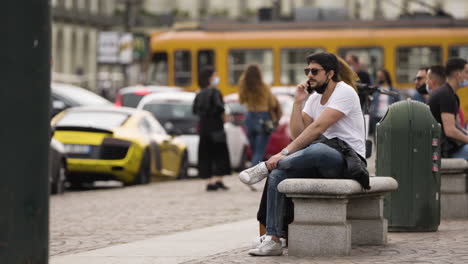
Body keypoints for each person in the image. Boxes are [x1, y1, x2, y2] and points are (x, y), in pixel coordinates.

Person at [240, 52, 369, 256]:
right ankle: (273, 238)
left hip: (346, 159)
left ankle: (264, 166)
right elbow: (299, 134)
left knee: (318, 149)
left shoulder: (345, 92)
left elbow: (317, 128)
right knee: (277, 175)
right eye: (307, 70)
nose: (309, 75)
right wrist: (298, 102)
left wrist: (282, 154)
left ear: (330, 73)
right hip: (316, 157)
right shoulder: (313, 98)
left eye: (315, 71)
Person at [193, 66, 231, 191]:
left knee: (205, 155)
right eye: (215, 76)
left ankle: (208, 182)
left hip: (203, 128)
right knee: (219, 154)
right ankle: (219, 180)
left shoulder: (198, 93)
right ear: (210, 78)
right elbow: (220, 107)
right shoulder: (215, 91)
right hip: (216, 127)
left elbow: (194, 110)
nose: (216, 78)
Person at [238, 64, 282, 166]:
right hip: (263, 118)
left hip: (249, 117)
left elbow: (241, 100)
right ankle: (255, 173)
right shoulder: (264, 86)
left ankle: (256, 172)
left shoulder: (243, 86)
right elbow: (272, 103)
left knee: (254, 151)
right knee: (259, 151)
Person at [428, 58, 468, 159]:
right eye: (466, 72)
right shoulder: (446, 95)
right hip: (442, 150)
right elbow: (450, 130)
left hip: (447, 146)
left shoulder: (451, 95)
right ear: (458, 75)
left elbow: (457, 125)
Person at [369, 69, 401, 135]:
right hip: (376, 116)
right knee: (377, 137)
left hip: (389, 117)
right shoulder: (375, 89)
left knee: (388, 136)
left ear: (385, 77)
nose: (379, 78)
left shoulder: (393, 90)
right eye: (378, 77)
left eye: (380, 76)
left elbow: (399, 103)